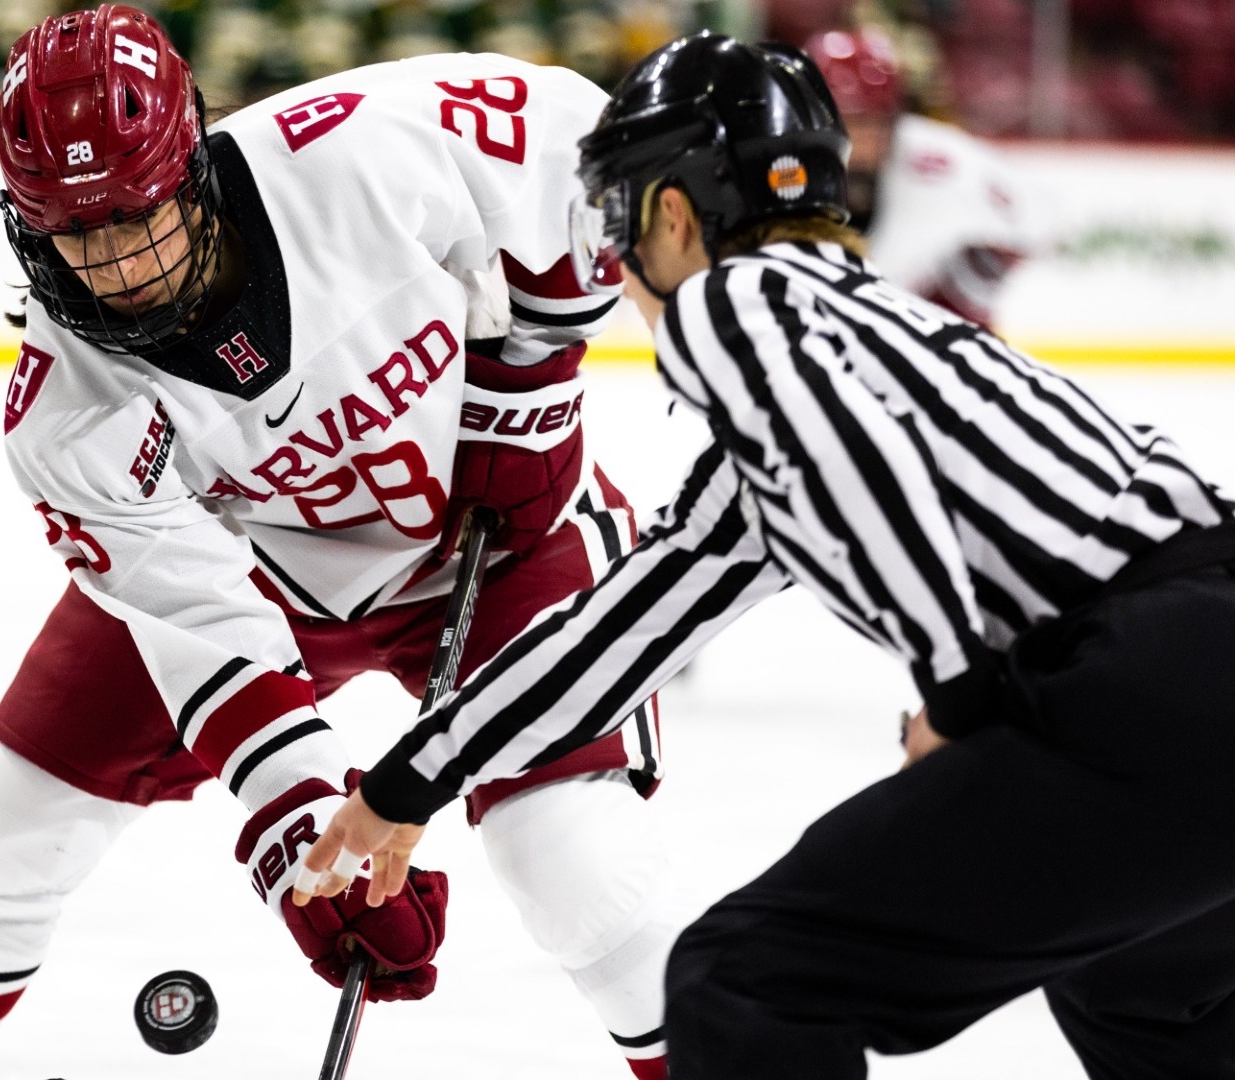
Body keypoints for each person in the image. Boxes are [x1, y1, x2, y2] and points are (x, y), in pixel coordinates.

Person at [301, 30, 1235, 1079]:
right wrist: (410, 781)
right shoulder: (864, 353)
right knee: (1145, 992)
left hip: (1153, 680)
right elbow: (613, 639)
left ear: (670, 211)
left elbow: (858, 457)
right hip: (1198, 664)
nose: (614, 264)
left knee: (747, 978)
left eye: (618, 219)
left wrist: (960, 690)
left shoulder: (744, 300)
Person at [0, 6, 679, 1079]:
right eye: (71, 229)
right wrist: (307, 844)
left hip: (505, 532)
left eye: (131, 215)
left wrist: (526, 392)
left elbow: (582, 153)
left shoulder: (359, 150)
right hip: (270, 565)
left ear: (189, 165)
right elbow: (204, 621)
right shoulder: (64, 413)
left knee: (572, 860)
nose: (108, 263)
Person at [805, 27, 1039, 328]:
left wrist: (962, 290)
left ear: (892, 119)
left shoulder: (940, 158)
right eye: (846, 122)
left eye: (870, 122)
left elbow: (1030, 221)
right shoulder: (773, 164)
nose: (858, 141)